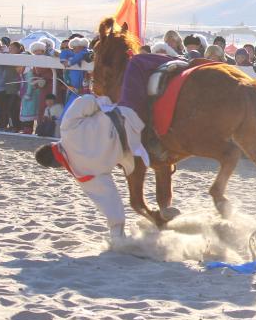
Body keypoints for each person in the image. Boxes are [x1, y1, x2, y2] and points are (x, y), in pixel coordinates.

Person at [33, 93, 163, 241]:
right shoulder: (67, 128)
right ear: (52, 145)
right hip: (126, 116)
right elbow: (87, 101)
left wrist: (117, 231)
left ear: (55, 166)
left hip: (133, 146)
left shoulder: (83, 174)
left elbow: (110, 201)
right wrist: (102, 103)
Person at [19, 41, 49, 134]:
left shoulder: (46, 61)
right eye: (36, 51)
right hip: (32, 90)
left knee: (40, 110)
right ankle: (28, 129)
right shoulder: (31, 64)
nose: (38, 52)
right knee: (29, 110)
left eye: (40, 50)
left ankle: (40, 129)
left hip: (41, 89)